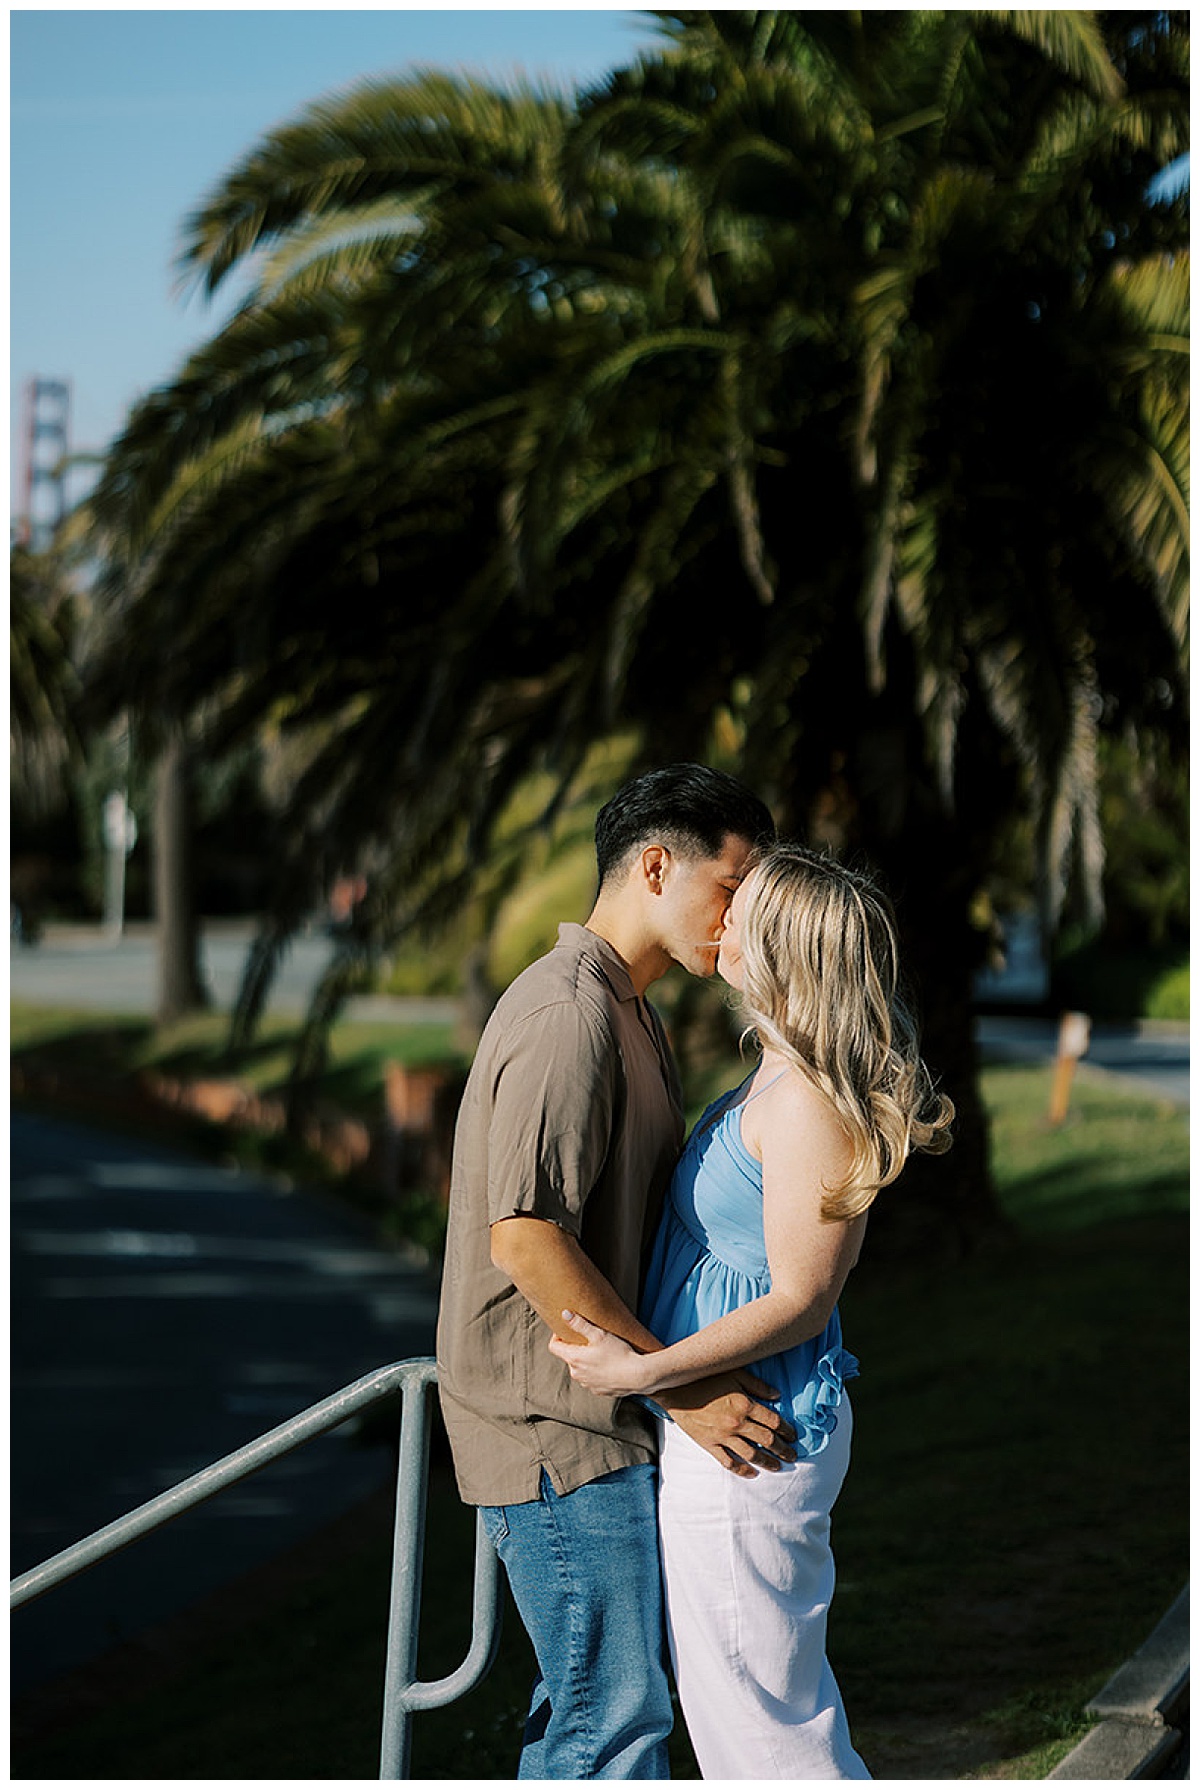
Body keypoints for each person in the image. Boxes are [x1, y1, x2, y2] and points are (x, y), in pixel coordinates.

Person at [550, 843, 955, 1780]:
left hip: (752, 1436)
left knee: (763, 1735)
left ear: (780, 948)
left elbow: (804, 1298)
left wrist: (648, 1372)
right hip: (738, 1432)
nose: (720, 921)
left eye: (744, 911)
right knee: (748, 1718)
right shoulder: (778, 1077)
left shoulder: (808, 1099)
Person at [435, 763, 789, 1781]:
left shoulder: (628, 1007)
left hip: (595, 1423)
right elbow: (527, 1239)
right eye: (730, 890)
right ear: (655, 865)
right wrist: (680, 1385)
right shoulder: (568, 1014)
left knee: (601, 1714)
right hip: (554, 1433)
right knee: (613, 1727)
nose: (741, 919)